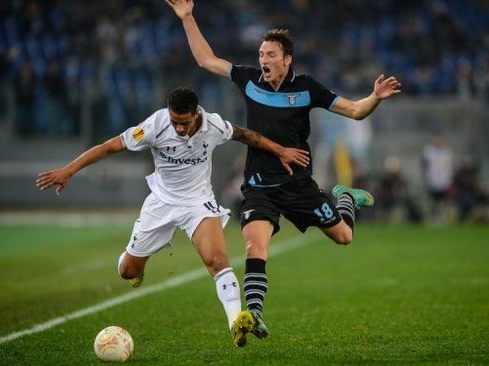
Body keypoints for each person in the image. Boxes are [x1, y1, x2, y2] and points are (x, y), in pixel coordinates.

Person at [167, 0, 402, 340]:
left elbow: (354, 111)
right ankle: (254, 314)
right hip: (259, 186)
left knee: (344, 237)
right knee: (254, 247)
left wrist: (375, 97)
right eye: (261, 54)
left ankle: (346, 197)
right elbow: (206, 60)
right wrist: (187, 17)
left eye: (271, 55)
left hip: (298, 185)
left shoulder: (307, 88)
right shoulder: (249, 80)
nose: (263, 60)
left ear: (287, 59)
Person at [36, 86, 309, 347]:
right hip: (161, 204)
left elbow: (247, 135)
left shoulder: (212, 126)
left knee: (217, 261)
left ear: (196, 114)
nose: (179, 128)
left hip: (198, 204)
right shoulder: (155, 125)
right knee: (127, 271)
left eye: (184, 123)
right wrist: (69, 170)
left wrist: (281, 150)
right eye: (175, 121)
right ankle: (138, 267)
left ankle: (236, 322)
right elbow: (110, 146)